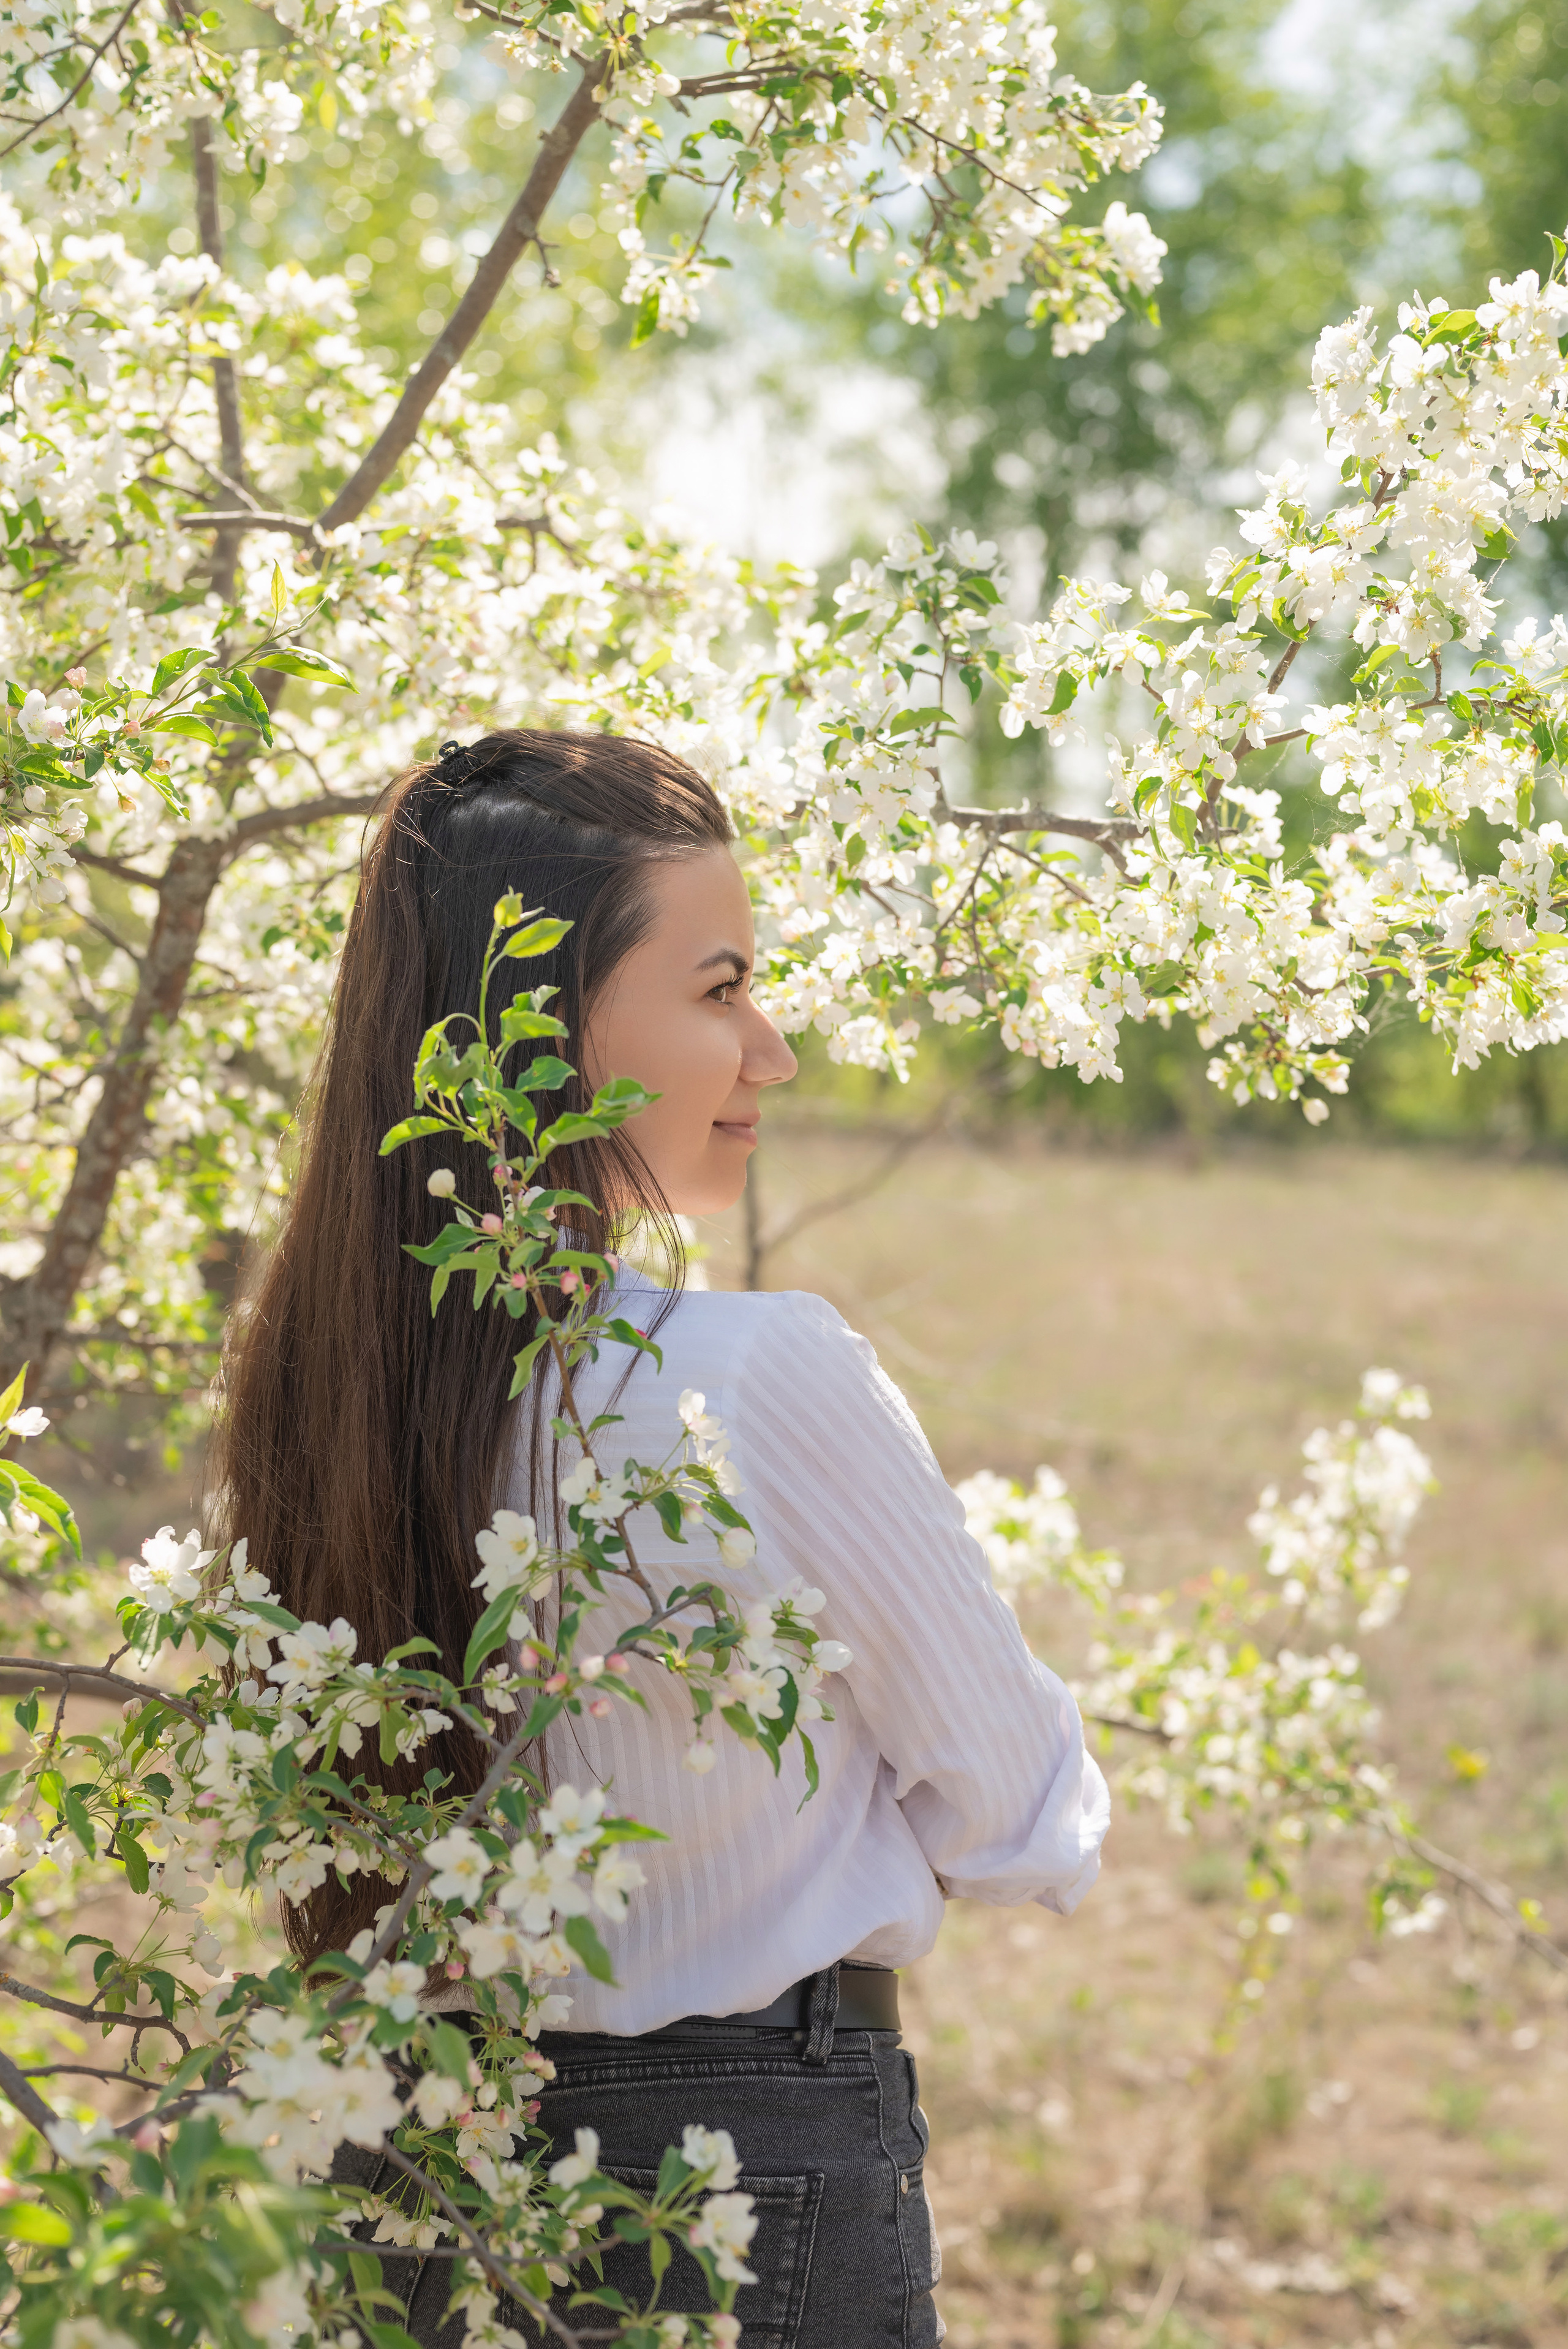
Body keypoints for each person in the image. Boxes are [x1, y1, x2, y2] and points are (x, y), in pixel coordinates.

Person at [211, 728, 1110, 2349]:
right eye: (720, 990)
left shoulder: (308, 1396)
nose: (773, 1050)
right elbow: (1021, 1816)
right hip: (738, 2173)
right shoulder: (754, 1377)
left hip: (394, 2164)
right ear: (550, 1034)